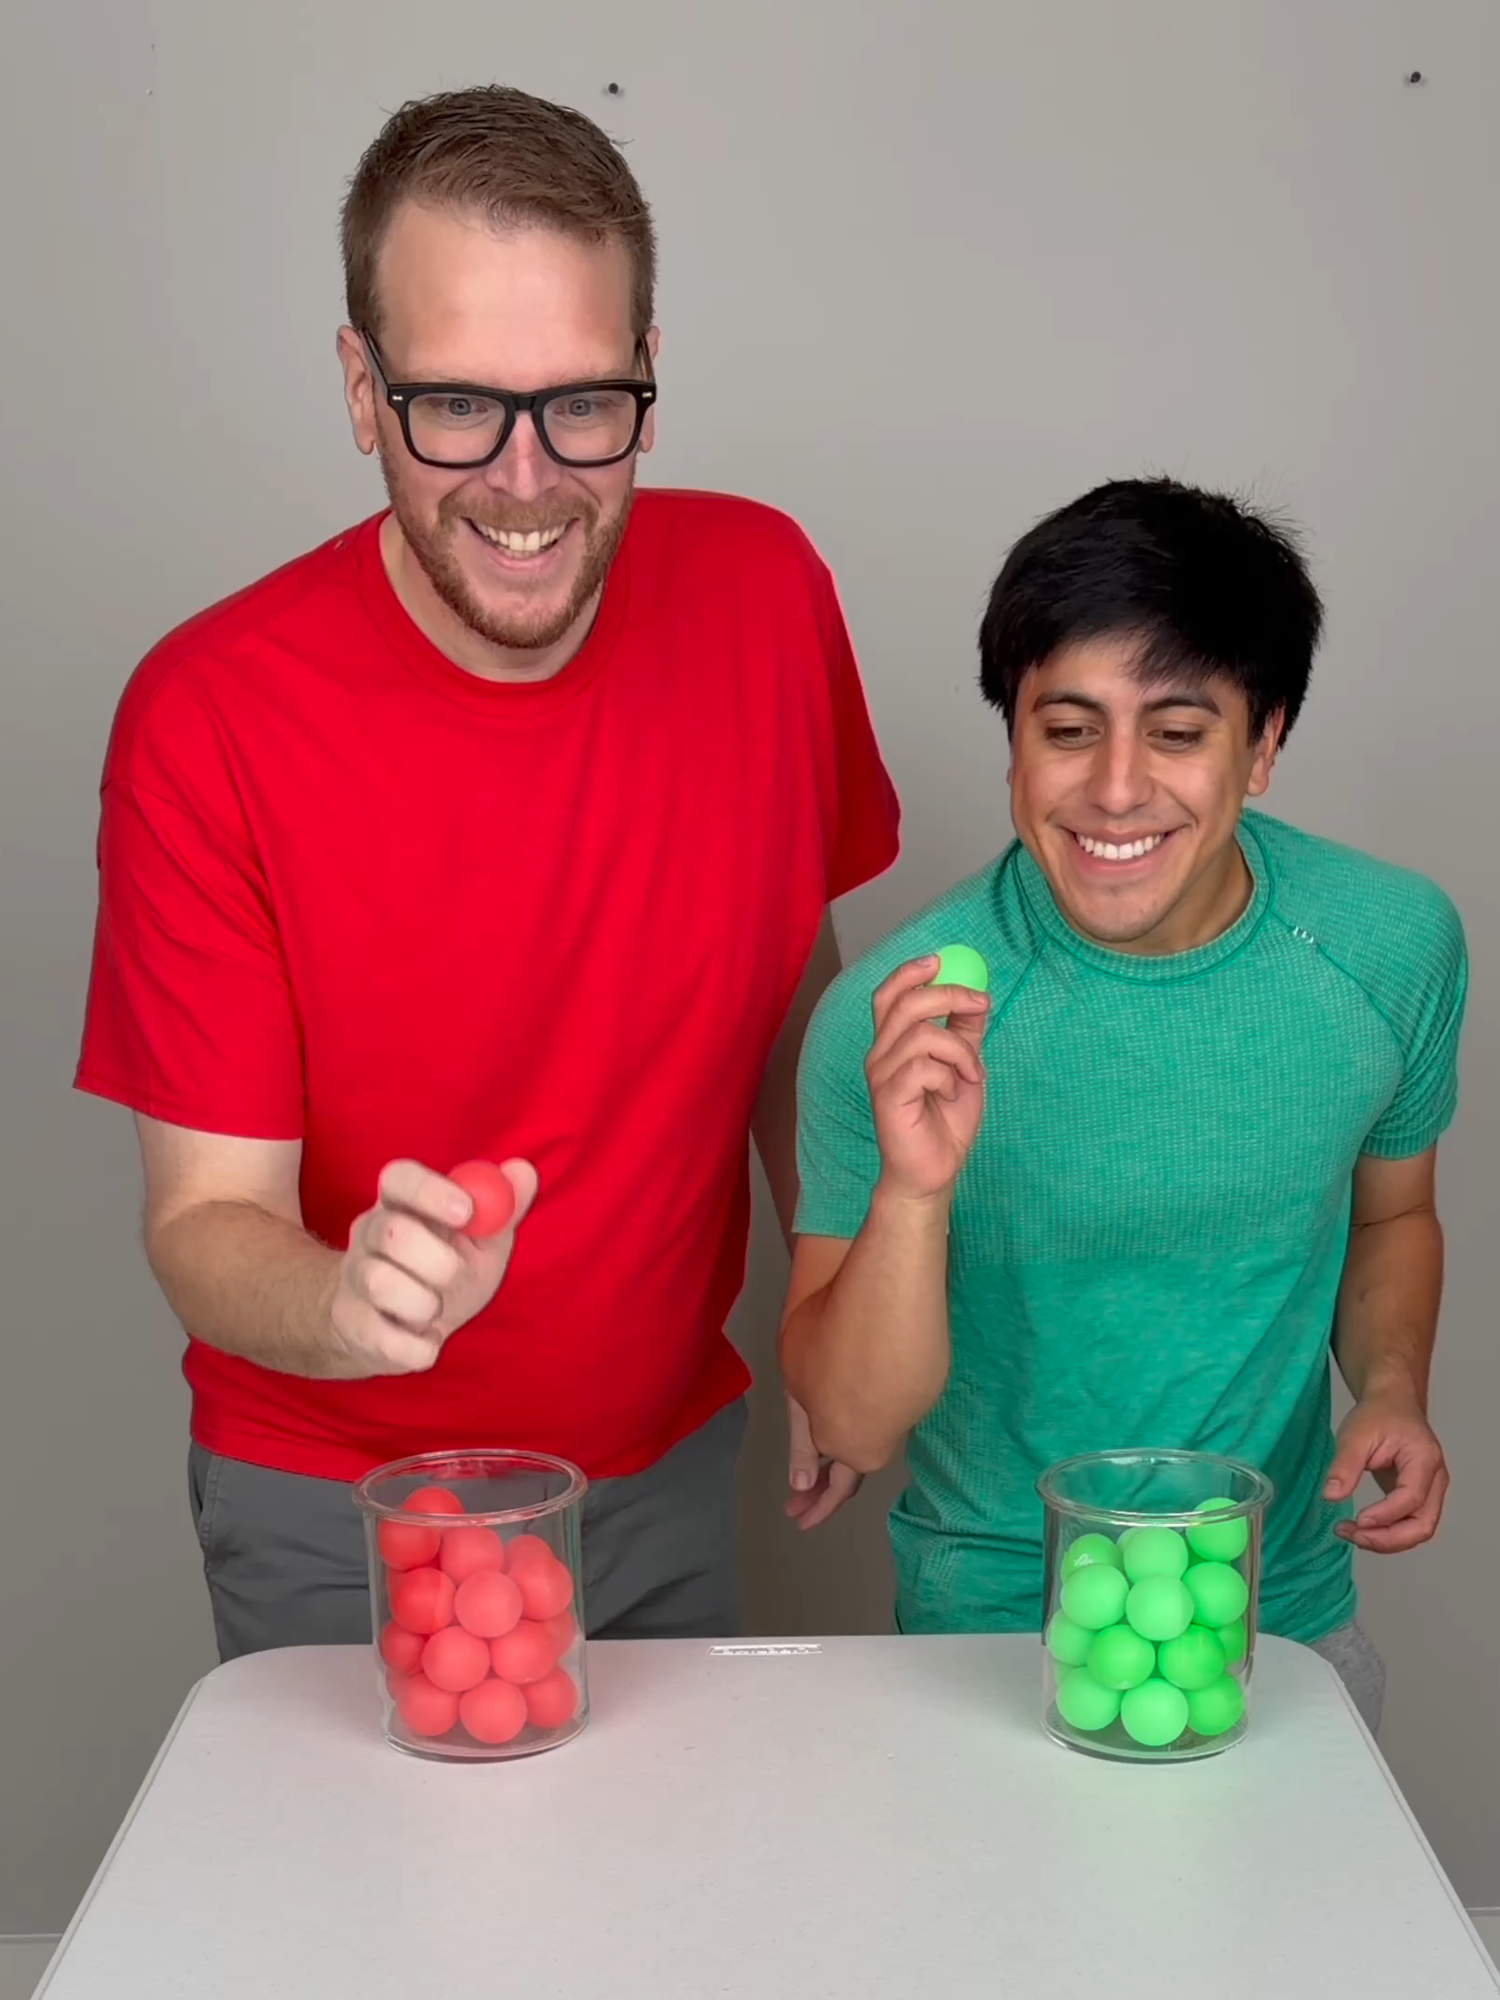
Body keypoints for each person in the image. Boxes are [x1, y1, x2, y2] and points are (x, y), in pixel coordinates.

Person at [76, 84, 899, 1660]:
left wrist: (834, 1305)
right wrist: (343, 1302)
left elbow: (790, 979)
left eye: (581, 402)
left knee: (670, 1906)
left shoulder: (769, 593)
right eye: (457, 403)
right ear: (359, 387)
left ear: (648, 381)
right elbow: (204, 1217)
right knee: (386, 1909)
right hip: (349, 1495)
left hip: (666, 1470)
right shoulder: (207, 718)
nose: (526, 480)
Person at [781, 477, 1467, 1733]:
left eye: (1179, 729)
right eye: (1070, 727)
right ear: (1014, 745)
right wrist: (914, 1188)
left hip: (1280, 1619)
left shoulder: (1391, 944)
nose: (1114, 789)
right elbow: (850, 1421)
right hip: (985, 1641)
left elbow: (1392, 1217)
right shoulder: (890, 1017)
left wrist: (1391, 1384)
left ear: (1262, 745)